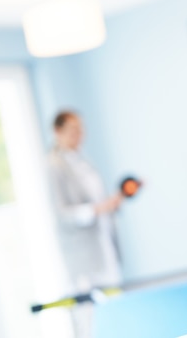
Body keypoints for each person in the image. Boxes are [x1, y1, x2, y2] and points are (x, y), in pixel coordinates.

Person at [47, 110, 124, 338]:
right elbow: (62, 214)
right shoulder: (54, 165)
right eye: (72, 129)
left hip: (103, 246)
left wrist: (112, 204)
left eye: (80, 128)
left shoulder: (83, 160)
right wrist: (96, 209)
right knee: (88, 319)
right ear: (57, 132)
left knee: (113, 311)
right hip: (82, 255)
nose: (78, 134)